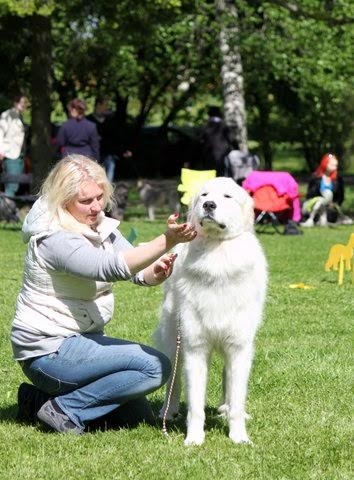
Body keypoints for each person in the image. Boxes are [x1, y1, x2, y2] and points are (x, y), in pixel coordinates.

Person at [11, 154, 197, 434]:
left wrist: (154, 271)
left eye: (100, 197)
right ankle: (64, 410)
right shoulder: (54, 237)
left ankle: (37, 401)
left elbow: (135, 270)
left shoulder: (98, 225)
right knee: (154, 367)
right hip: (47, 352)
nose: (97, 207)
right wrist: (167, 240)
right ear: (63, 201)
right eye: (86, 201)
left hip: (81, 340)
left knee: (134, 414)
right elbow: (109, 267)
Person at [301, 153, 352, 227]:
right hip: (315, 203)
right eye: (332, 165)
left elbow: (340, 196)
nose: (334, 167)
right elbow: (309, 194)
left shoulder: (338, 179)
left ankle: (312, 220)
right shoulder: (315, 178)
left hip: (330, 207)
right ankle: (315, 219)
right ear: (325, 164)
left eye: (336, 165)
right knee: (319, 201)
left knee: (328, 194)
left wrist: (334, 204)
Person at [0, 93, 28, 197]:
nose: (24, 105)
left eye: (25, 103)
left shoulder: (20, 116)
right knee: (11, 186)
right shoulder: (7, 115)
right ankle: (6, 210)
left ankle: (8, 208)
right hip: (10, 155)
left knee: (15, 185)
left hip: (19, 156)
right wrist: (1, 151)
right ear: (15, 102)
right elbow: (0, 133)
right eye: (22, 102)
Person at [200, 106, 233, 175]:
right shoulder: (224, 125)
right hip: (222, 155)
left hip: (209, 154)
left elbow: (201, 140)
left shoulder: (206, 126)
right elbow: (230, 139)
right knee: (221, 174)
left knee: (209, 174)